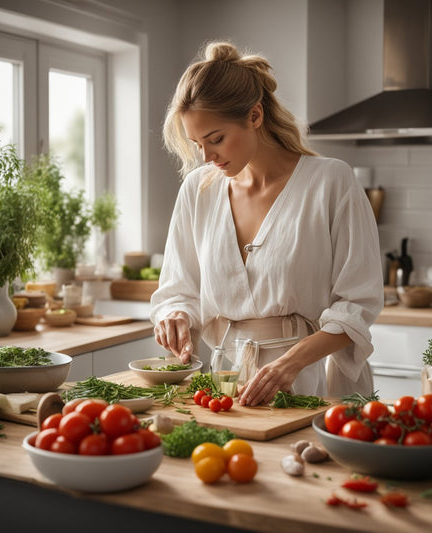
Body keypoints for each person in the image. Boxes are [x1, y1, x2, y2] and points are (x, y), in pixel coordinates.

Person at [150, 41, 384, 406]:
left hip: (311, 384)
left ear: (255, 116)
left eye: (216, 139)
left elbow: (357, 306)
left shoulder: (331, 183)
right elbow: (178, 288)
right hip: (223, 387)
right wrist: (175, 315)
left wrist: (288, 364)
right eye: (197, 143)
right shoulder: (198, 190)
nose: (207, 156)